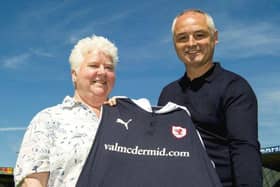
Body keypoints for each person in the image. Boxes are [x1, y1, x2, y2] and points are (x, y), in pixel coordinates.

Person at [158, 9, 262, 187]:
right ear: (174, 44)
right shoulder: (168, 93)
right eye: (182, 38)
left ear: (215, 37)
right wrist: (111, 110)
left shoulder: (235, 88)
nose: (191, 43)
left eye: (199, 35)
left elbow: (244, 149)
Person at [14, 35, 118, 187]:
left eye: (109, 67)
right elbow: (33, 182)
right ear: (74, 75)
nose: (102, 72)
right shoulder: (48, 119)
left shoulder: (129, 121)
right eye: (94, 65)